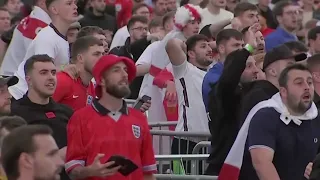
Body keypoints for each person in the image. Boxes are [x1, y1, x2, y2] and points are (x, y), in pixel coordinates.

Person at [65, 55, 157, 180]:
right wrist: (89, 171)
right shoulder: (80, 118)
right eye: (116, 70)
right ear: (101, 80)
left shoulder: (139, 118)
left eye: (125, 70)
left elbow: (148, 172)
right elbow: (72, 169)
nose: (124, 74)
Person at [230, 64, 320, 180]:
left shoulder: (315, 116)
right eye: (299, 83)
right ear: (283, 92)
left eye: (310, 82)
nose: (307, 87)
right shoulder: (266, 116)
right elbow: (261, 163)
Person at [205, 23, 260, 176]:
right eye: (248, 66)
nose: (255, 70)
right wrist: (248, 48)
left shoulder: (252, 92)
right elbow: (228, 81)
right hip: (225, 166)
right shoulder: (224, 91)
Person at [10, 54, 73, 180]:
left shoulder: (67, 112)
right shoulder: (15, 112)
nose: (51, 78)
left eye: (53, 73)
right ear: (29, 80)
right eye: (43, 73)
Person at [9, 0, 78, 100]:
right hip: (19, 95)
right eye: (69, 3)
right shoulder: (47, 37)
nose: (75, 6)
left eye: (75, 3)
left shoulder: (60, 36)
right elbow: (42, 70)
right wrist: (66, 67)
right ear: (54, 9)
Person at [0, 0, 51, 76]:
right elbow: (41, 63)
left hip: (16, 77)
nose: (75, 6)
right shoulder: (35, 25)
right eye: (68, 3)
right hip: (15, 80)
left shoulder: (34, 20)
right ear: (42, 2)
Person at [53, 36, 104, 111]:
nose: (102, 58)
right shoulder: (63, 81)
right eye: (96, 54)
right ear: (80, 58)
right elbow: (39, 109)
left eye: (103, 54)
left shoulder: (90, 86)